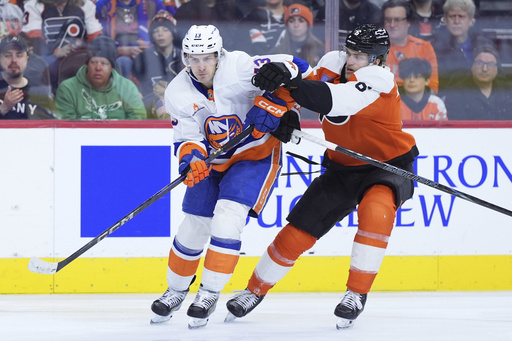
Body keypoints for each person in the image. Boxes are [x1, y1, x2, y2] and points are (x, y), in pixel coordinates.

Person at [225, 24, 419, 329]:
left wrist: (289, 82)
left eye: (360, 55)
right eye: (350, 52)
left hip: (388, 165)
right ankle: (253, 290)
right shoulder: (332, 62)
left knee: (376, 212)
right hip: (343, 167)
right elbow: (300, 92)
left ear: (379, 59)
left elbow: (332, 99)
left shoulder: (380, 80)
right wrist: (286, 110)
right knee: (301, 226)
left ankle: (356, 294)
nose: (351, 59)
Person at [149, 24, 312, 329]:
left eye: (206, 58)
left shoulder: (240, 66)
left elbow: (300, 67)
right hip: (215, 160)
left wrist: (277, 101)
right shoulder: (177, 92)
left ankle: (209, 293)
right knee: (194, 223)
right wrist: (191, 159)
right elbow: (187, 135)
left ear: (218, 54)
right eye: (193, 58)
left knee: (227, 216)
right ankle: (175, 290)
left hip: (256, 155)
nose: (199, 66)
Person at [55, 36, 147, 119]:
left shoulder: (127, 88)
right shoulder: (67, 89)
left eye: (104, 63)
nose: (98, 68)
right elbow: (65, 129)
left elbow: (138, 122)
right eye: (94, 62)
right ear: (87, 64)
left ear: (112, 67)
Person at [431, 0, 494, 95]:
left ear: (471, 21)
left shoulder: (484, 44)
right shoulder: (436, 47)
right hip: (449, 98)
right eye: (452, 16)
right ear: (445, 20)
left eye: (461, 16)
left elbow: (497, 75)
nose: (456, 21)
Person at [131, 10, 183, 118]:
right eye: (156, 31)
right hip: (149, 108)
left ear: (173, 34)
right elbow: (135, 88)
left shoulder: (184, 57)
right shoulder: (142, 58)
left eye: (165, 30)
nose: (160, 34)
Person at [95, 0, 167, 78]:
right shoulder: (101, 5)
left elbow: (167, 32)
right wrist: (119, 50)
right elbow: (98, 42)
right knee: (124, 62)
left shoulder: (154, 3)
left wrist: (150, 49)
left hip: (148, 53)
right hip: (116, 57)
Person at [382, 0, 439, 93]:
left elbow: (432, 89)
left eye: (398, 20)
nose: (392, 25)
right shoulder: (374, 48)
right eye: (388, 20)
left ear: (409, 22)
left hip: (415, 105)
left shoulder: (424, 47)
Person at [21, 0, 103, 64]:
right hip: (47, 62)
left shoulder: (86, 5)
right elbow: (33, 42)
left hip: (81, 60)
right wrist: (55, 53)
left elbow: (96, 38)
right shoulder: (34, 6)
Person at [444, 44, 512, 120]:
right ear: (471, 66)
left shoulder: (508, 91)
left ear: (497, 68)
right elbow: (460, 128)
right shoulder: (456, 92)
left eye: (491, 64)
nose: (485, 69)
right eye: (479, 63)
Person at [0, 34, 55, 119]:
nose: (14, 60)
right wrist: (4, 108)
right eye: (7, 55)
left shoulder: (38, 87)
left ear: (27, 58)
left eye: (19, 55)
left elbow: (49, 123)